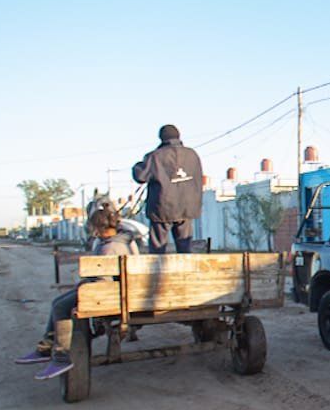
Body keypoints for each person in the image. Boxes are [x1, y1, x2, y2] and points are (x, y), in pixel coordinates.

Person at [14, 206, 135, 379]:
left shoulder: (108, 247)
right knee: (59, 301)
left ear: (98, 228)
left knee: (60, 306)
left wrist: (87, 284)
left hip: (111, 296)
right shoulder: (128, 241)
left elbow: (103, 282)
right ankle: (47, 345)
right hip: (130, 292)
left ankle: (61, 353)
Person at [132, 124, 203, 254]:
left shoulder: (155, 156)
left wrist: (138, 165)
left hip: (162, 209)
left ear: (161, 138)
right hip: (187, 208)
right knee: (185, 247)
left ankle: (157, 273)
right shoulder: (192, 155)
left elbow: (140, 176)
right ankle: (185, 272)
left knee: (158, 249)